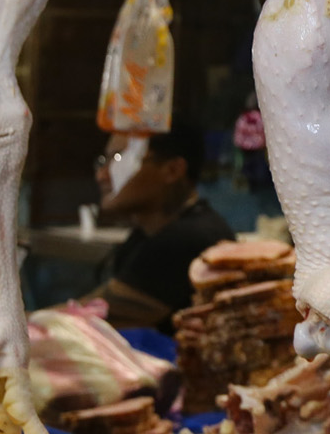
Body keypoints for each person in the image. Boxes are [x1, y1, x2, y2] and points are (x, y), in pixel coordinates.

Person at [88, 126, 235, 333]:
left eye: (119, 160)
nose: (102, 175)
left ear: (173, 170)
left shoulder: (190, 238)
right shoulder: (145, 234)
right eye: (104, 161)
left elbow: (88, 319)